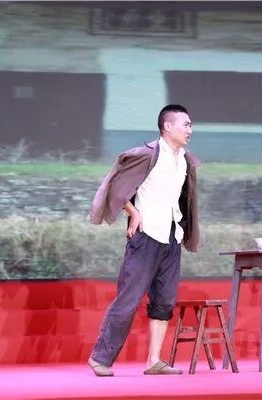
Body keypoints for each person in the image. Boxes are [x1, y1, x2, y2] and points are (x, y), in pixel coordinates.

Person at [87, 104, 201, 376]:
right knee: (129, 298)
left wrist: (184, 227)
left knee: (164, 301)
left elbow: (183, 199)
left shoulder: (184, 159)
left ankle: (154, 361)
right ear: (168, 126)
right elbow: (116, 185)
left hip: (171, 235)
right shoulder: (147, 154)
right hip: (147, 235)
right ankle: (100, 358)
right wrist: (133, 212)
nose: (190, 130)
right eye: (185, 124)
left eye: (190, 125)